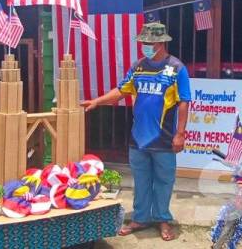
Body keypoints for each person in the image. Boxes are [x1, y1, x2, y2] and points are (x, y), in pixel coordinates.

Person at [81, 22, 191, 241]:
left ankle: (162, 219)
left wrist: (180, 133)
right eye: (143, 43)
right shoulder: (139, 66)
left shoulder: (177, 68)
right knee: (140, 179)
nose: (145, 46)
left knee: (164, 180)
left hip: (165, 139)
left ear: (161, 43)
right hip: (138, 138)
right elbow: (121, 91)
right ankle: (140, 218)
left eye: (149, 43)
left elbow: (184, 102)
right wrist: (97, 101)